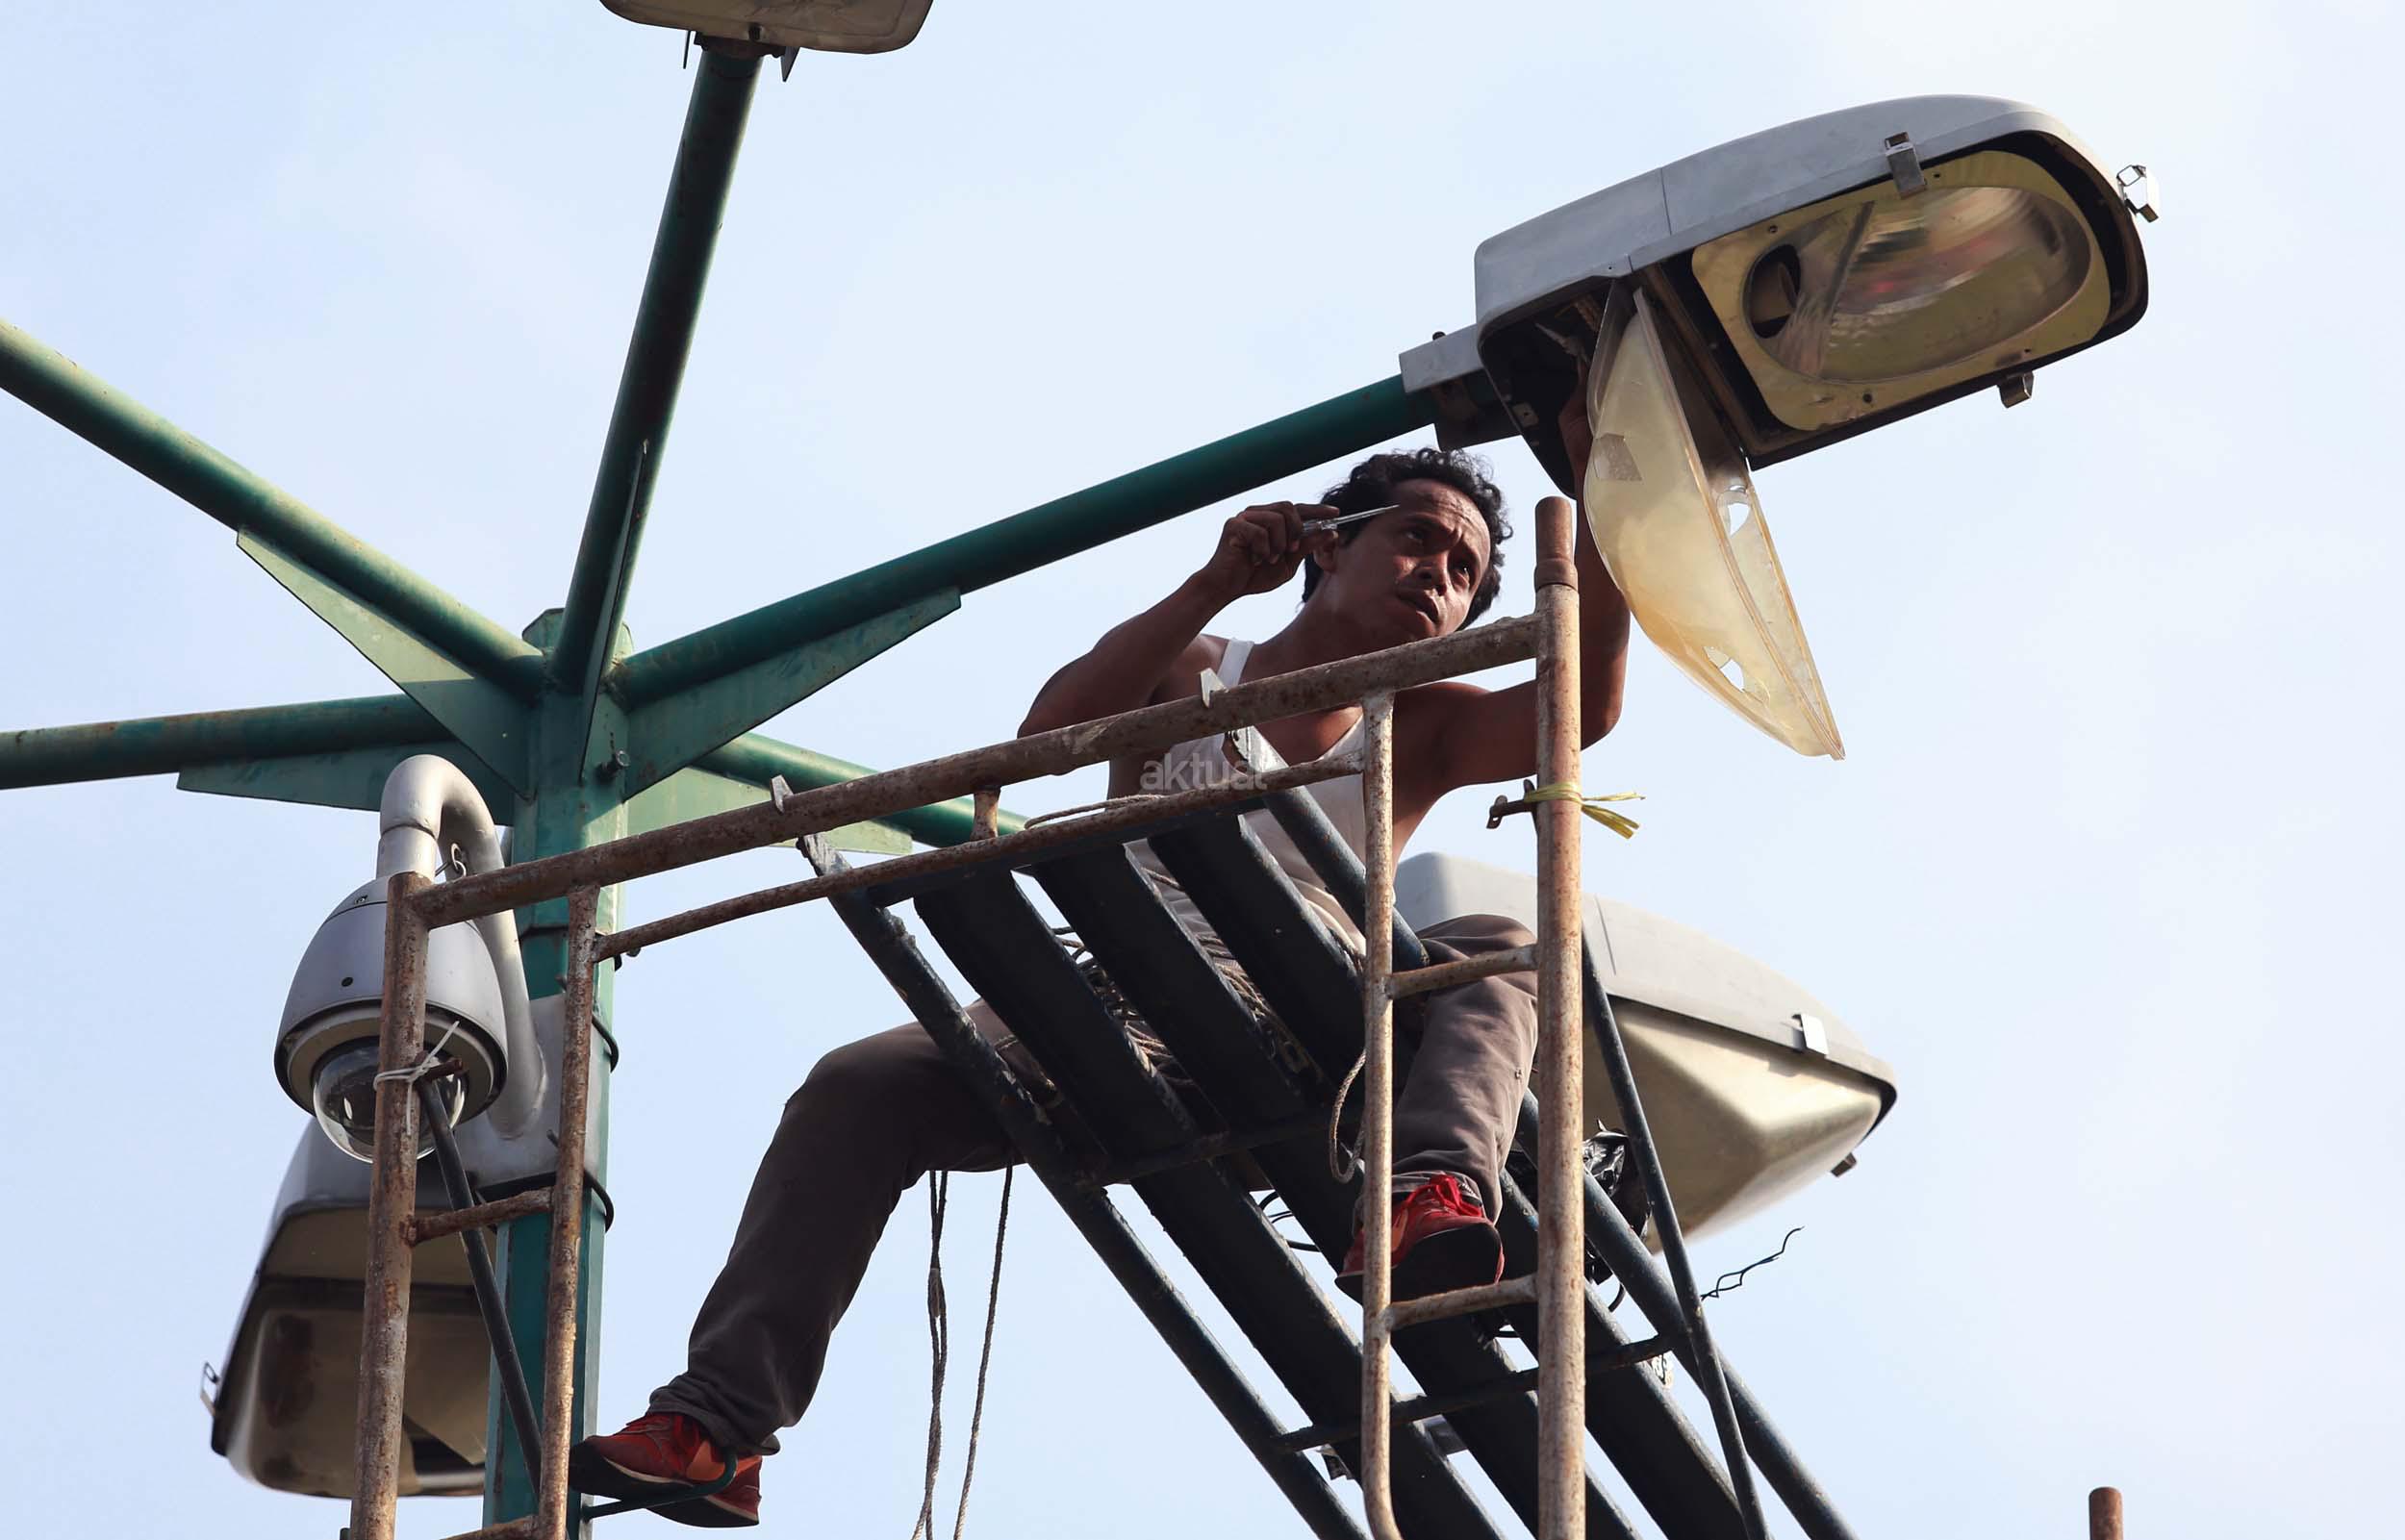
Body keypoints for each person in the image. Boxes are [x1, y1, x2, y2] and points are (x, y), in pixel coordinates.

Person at [569, 437, 1630, 1527]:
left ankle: (1427, 1193)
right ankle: (718, 1425)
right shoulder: (1197, 664)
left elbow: (1580, 705)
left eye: (1464, 572)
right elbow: (1048, 736)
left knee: (1499, 945)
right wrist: (1215, 580)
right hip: (1118, 998)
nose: (1438, 576)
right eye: (1417, 539)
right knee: (858, 1084)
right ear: (1329, 544)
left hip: (1302, 1014)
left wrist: (1611, 488)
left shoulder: (1426, 723)